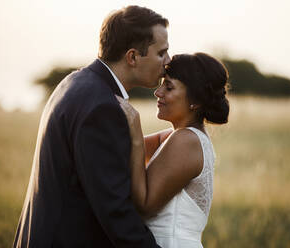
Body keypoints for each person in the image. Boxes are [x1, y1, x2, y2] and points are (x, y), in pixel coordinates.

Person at [13, 5, 170, 248]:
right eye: (161, 53)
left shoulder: (75, 82)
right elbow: (114, 210)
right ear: (132, 57)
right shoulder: (102, 107)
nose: (168, 62)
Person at [118, 52, 230, 247]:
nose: (158, 92)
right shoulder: (175, 137)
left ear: (195, 102)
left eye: (168, 87)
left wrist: (135, 127)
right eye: (162, 83)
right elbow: (120, 150)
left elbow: (145, 205)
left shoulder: (186, 140)